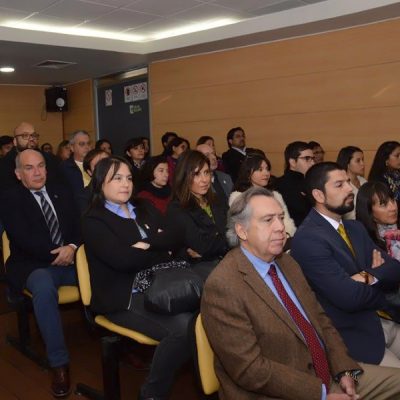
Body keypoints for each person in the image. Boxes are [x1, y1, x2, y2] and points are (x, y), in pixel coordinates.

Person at [201, 187, 400, 400]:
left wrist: (345, 370)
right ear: (242, 231)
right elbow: (250, 370)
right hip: (282, 392)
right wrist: (321, 395)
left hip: (329, 373)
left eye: (281, 218)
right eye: (268, 220)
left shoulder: (287, 263)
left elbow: (321, 320)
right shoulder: (223, 285)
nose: (280, 227)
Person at [82, 156, 193, 400]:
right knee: (185, 329)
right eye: (117, 178)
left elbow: (177, 235)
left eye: (129, 178)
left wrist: (145, 244)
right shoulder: (93, 220)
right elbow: (123, 260)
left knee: (209, 314)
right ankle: (151, 394)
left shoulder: (144, 206)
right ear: (101, 183)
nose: (126, 184)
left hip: (163, 284)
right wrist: (159, 246)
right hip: (122, 296)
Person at [291, 162, 400, 367]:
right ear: (319, 195)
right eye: (339, 185)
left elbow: (395, 269)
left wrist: (365, 276)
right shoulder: (307, 239)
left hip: (386, 319)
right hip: (357, 337)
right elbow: (349, 298)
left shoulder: (355, 227)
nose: (350, 189)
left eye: (348, 182)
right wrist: (378, 275)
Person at [0, 149, 81, 397]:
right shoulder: (9, 198)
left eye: (41, 165)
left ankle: (116, 336)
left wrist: (72, 247)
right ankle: (59, 364)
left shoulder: (62, 192)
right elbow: (23, 238)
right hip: (33, 264)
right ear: (18, 174)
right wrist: (59, 254)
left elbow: (80, 225)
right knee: (44, 287)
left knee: (104, 270)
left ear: (47, 168)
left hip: (69, 259)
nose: (37, 172)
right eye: (29, 167)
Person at [166, 150, 228, 263]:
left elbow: (232, 230)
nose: (204, 180)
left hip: (224, 263)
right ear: (184, 176)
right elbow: (202, 246)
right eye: (196, 174)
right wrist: (231, 239)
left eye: (206, 172)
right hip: (198, 271)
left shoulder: (215, 200)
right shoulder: (177, 208)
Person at [229, 153, 296, 236]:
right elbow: (242, 226)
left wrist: (286, 235)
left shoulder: (275, 195)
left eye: (267, 169)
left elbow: (286, 221)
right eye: (260, 169)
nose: (266, 173)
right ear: (248, 173)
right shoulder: (238, 197)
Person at [0, 122, 63, 194]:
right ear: (15, 141)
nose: (31, 139)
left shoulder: (51, 159)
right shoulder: (4, 165)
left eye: (34, 135)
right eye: (25, 135)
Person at [275, 141, 315, 227]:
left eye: (313, 159)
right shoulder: (282, 185)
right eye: (307, 159)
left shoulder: (312, 181)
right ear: (293, 162)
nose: (312, 163)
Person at [61, 130, 92, 204]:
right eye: (82, 144)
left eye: (88, 143)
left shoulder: (97, 164)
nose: (87, 147)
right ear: (72, 147)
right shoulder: (64, 168)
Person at [336, 146, 367, 220]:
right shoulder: (340, 185)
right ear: (347, 163)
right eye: (358, 161)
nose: (363, 164)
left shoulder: (363, 181)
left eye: (363, 160)